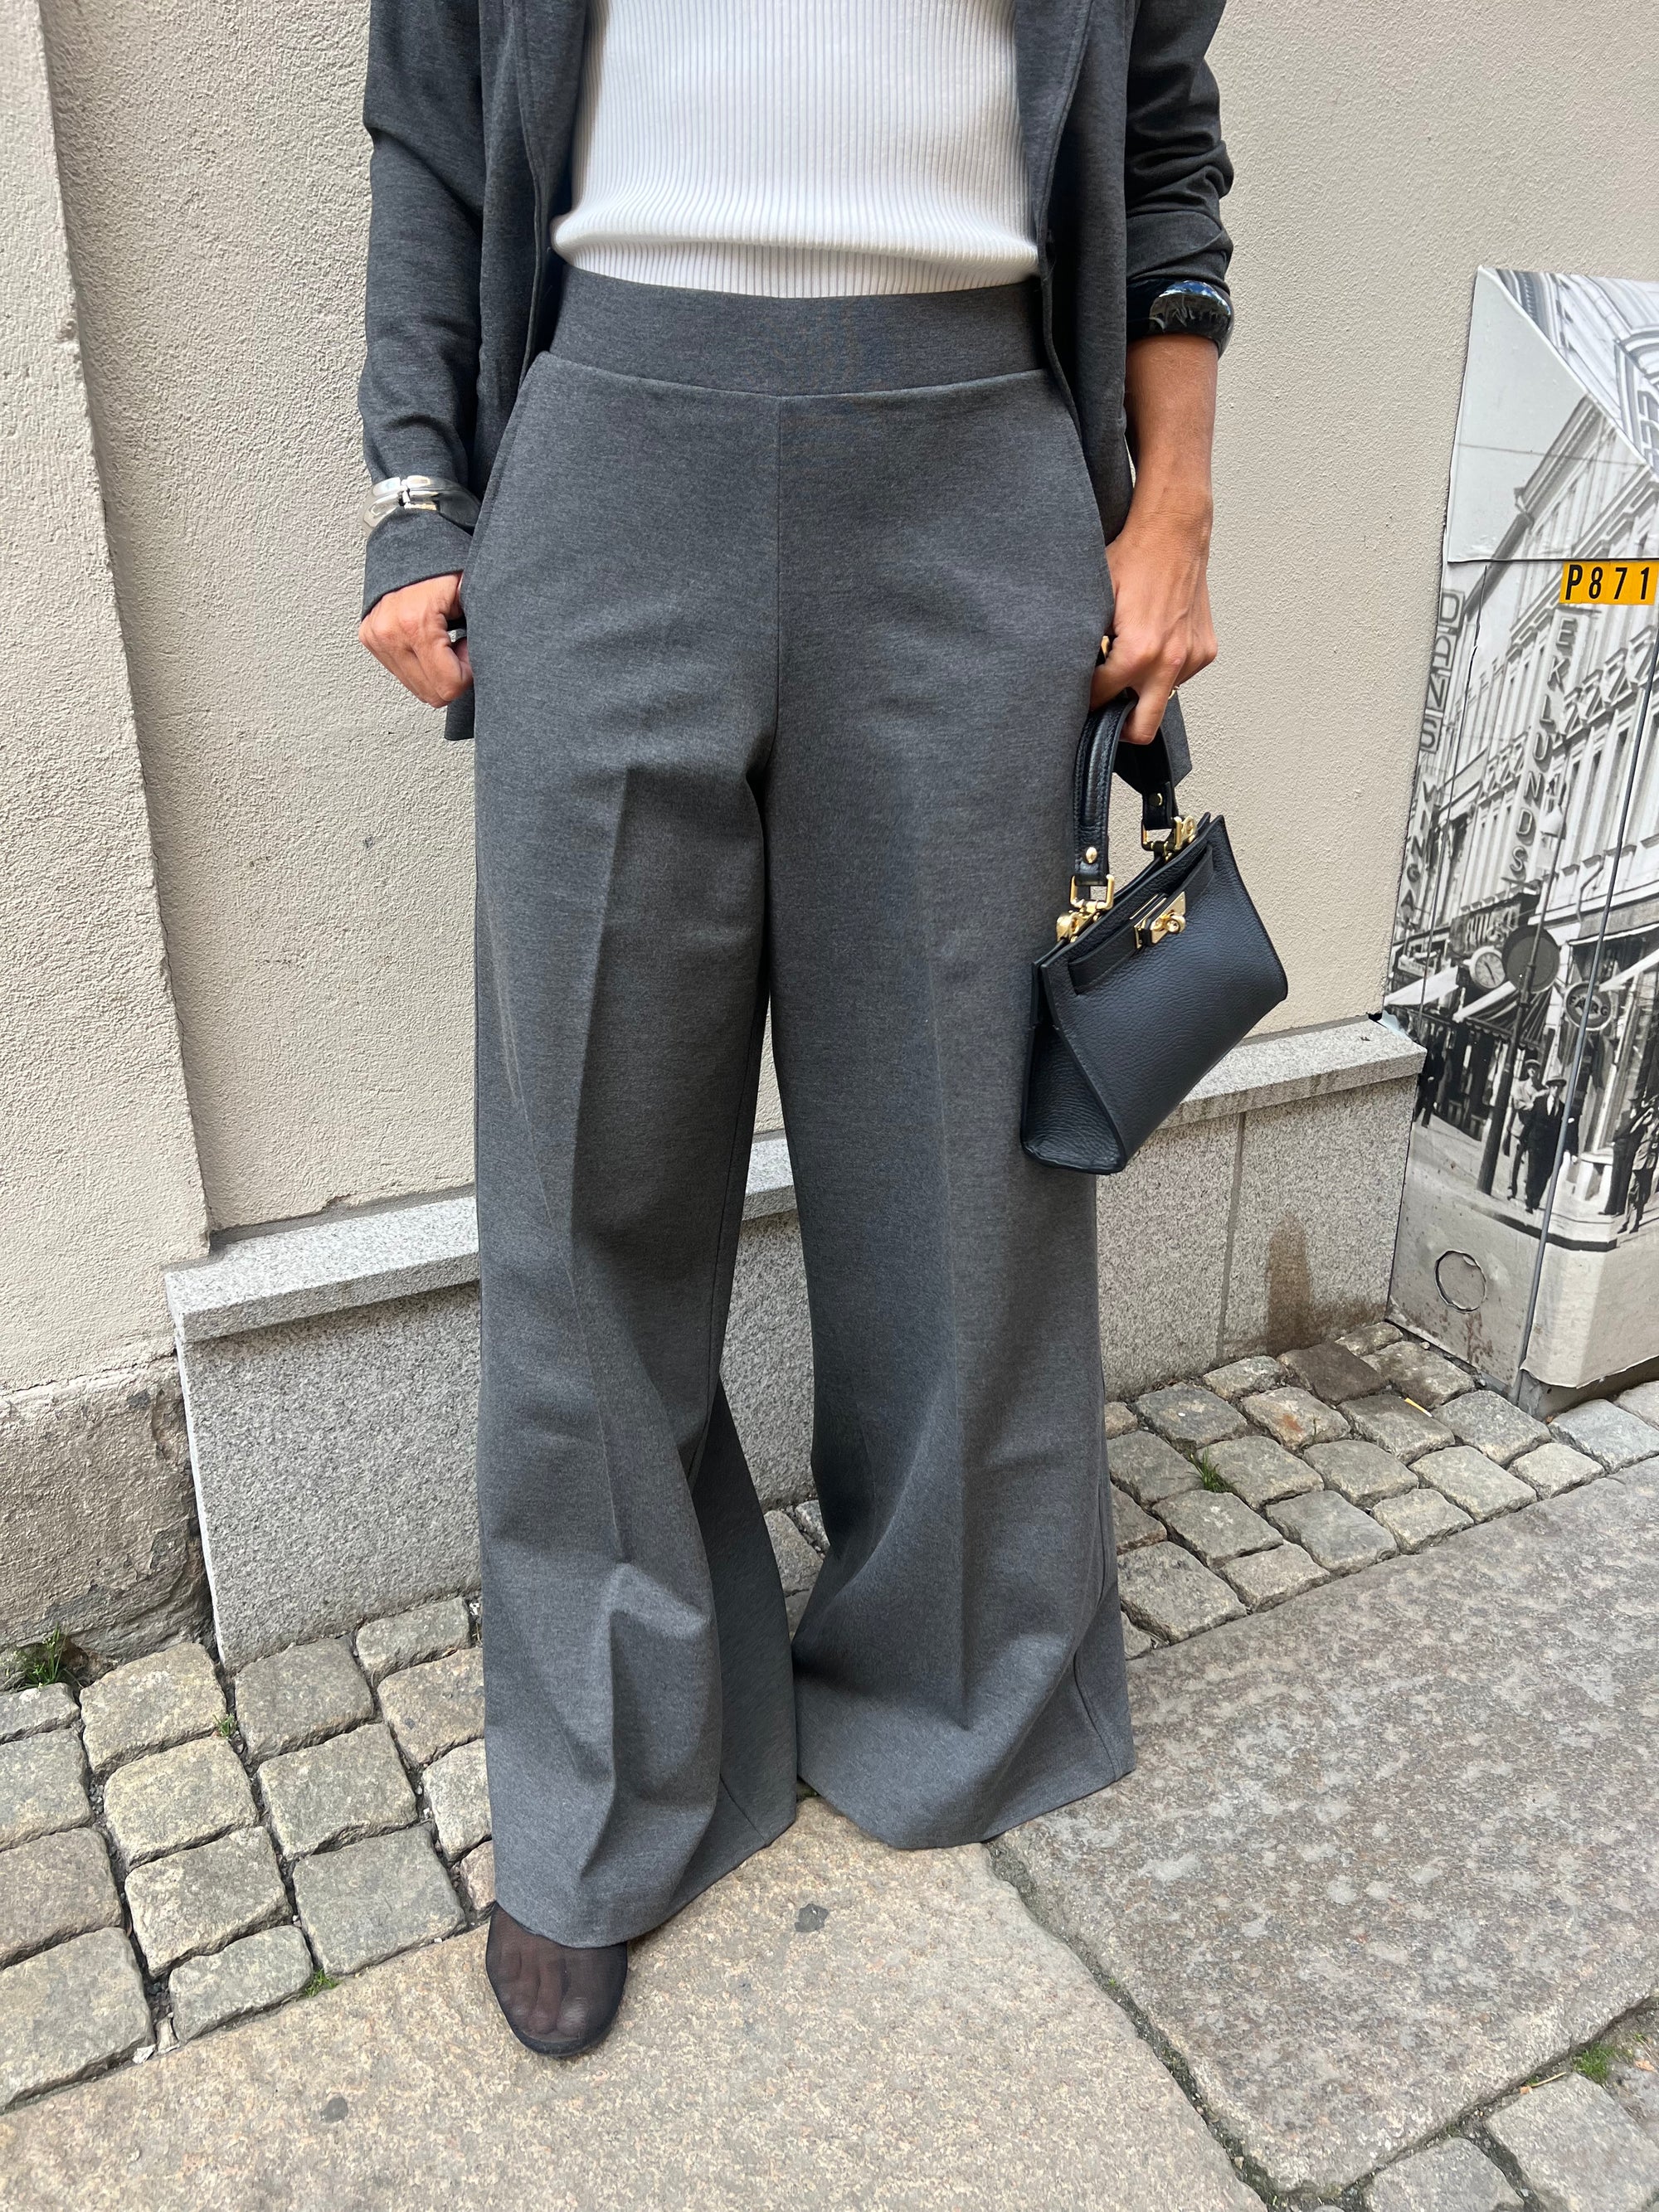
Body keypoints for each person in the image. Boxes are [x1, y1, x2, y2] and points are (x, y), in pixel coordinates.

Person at [357, 0, 1233, 2059]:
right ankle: (601, 1777)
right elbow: (430, 126)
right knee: (586, 1170)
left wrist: (1170, 510)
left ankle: (955, 1689)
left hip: (977, 466)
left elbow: (1161, 140)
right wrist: (413, 487)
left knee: (960, 1160)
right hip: (606, 446)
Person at [1519, 1080, 1565, 1213]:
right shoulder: (1540, 1102)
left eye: (1559, 1087)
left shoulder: (1562, 1108)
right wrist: (1522, 1139)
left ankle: (1536, 1199)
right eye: (1554, 1087)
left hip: (1550, 1147)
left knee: (1544, 1175)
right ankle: (1529, 1199)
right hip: (1536, 1143)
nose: (1556, 1090)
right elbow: (1530, 1121)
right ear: (1550, 1088)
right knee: (1533, 1171)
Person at [1506, 1058, 1540, 1200]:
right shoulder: (1520, 1086)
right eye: (1530, 1067)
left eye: (1535, 1068)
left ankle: (1528, 1192)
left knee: (1530, 1164)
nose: (1532, 1070)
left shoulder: (1542, 1090)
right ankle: (1511, 1188)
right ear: (1527, 1070)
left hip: (1532, 1132)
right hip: (1519, 1128)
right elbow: (1516, 1103)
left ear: (1538, 1071)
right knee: (1514, 1161)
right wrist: (1531, 1106)